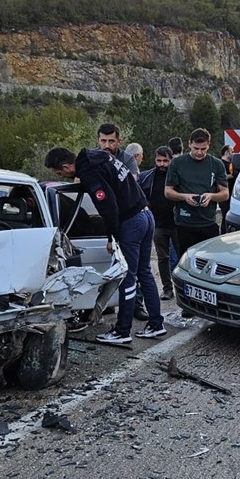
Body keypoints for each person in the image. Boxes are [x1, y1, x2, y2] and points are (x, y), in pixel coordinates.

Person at [45, 147, 164, 344]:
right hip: (145, 215)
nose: (63, 176)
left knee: (127, 276)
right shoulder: (99, 156)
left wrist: (112, 237)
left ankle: (122, 331)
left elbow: (108, 206)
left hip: (131, 222)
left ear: (66, 166)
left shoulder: (89, 171)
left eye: (60, 173)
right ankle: (156, 324)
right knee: (144, 272)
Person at [164, 128, 230, 256]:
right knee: (185, 261)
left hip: (208, 222)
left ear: (208, 146)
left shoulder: (217, 164)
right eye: (196, 148)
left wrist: (211, 196)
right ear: (189, 144)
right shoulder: (177, 163)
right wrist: (185, 197)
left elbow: (225, 193)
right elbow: (168, 191)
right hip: (184, 223)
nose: (199, 152)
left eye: (203, 149)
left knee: (210, 260)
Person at [139, 146, 177, 300]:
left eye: (165, 161)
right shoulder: (147, 177)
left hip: (177, 223)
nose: (162, 164)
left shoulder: (176, 176)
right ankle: (167, 288)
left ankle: (182, 289)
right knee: (162, 258)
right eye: (159, 160)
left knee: (180, 258)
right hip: (158, 223)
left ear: (170, 160)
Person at [218, 145, 234, 233]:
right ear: (226, 152)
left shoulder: (232, 164)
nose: (233, 154)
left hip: (232, 194)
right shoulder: (220, 164)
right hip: (224, 195)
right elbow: (219, 178)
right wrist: (231, 176)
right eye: (232, 151)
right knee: (226, 216)